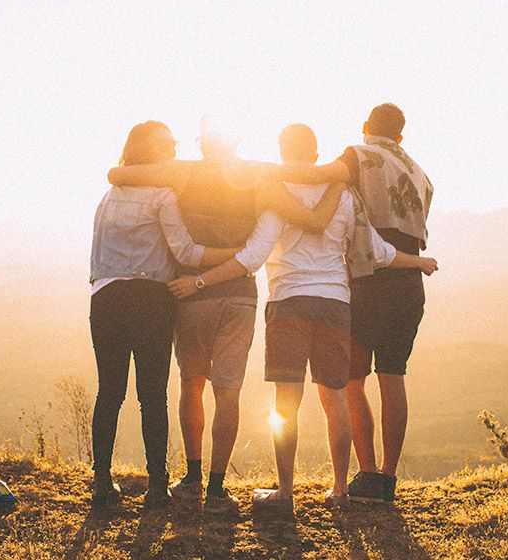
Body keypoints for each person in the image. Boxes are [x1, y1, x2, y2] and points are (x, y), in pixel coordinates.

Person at [167, 124, 437, 515]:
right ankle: (340, 490)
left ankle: (285, 493)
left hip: (288, 302)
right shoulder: (344, 195)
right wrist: (418, 261)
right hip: (335, 305)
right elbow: (376, 251)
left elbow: (253, 257)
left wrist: (200, 280)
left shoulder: (276, 192)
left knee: (286, 403)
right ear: (316, 155)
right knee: (335, 400)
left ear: (281, 150)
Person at [107, 122, 344, 514]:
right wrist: (338, 178)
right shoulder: (259, 175)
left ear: (203, 143)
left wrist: (117, 172)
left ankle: (193, 477)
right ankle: (217, 489)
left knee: (192, 383)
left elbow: (120, 174)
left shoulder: (184, 171)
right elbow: (307, 205)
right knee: (228, 390)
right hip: (239, 295)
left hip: (192, 295)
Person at [267, 104, 434, 504]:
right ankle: (387, 481)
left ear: (365, 128)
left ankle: (367, 473)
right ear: (401, 135)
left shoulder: (358, 156)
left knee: (351, 382)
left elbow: (316, 175)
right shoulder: (420, 173)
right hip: (408, 282)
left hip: (367, 280)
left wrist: (262, 174)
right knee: (393, 377)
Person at [89, 121, 239, 511]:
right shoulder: (163, 194)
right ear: (150, 151)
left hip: (105, 298)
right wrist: (233, 255)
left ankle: (101, 482)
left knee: (109, 392)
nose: (174, 146)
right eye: (167, 142)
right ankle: (157, 486)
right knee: (151, 395)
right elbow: (186, 253)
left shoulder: (109, 196)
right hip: (151, 299)